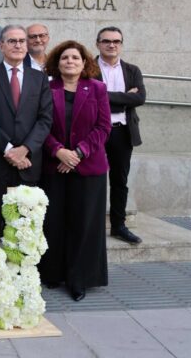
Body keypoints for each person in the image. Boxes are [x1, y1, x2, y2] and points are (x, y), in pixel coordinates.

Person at [39, 40, 111, 302]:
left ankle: (79, 278)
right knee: (54, 222)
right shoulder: (46, 89)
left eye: (75, 58)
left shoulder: (97, 89)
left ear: (84, 63)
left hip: (88, 168)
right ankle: (53, 273)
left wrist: (78, 153)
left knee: (84, 224)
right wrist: (58, 150)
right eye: (65, 58)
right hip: (54, 165)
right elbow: (41, 125)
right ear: (57, 63)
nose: (70, 61)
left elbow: (103, 128)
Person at [0, 25, 53, 241]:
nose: (18, 45)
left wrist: (25, 150)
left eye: (21, 41)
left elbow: (45, 119)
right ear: (1, 45)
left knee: (25, 228)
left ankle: (22, 274)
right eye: (12, 41)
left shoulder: (40, 78)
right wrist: (9, 149)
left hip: (29, 164)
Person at [96, 26, 146, 245]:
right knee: (93, 180)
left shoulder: (132, 70)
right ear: (98, 44)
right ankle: (93, 226)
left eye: (116, 41)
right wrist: (125, 97)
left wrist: (105, 97)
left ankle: (118, 226)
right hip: (95, 132)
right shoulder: (88, 67)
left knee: (119, 181)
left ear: (121, 44)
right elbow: (88, 97)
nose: (111, 45)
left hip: (122, 132)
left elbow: (140, 98)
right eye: (106, 41)